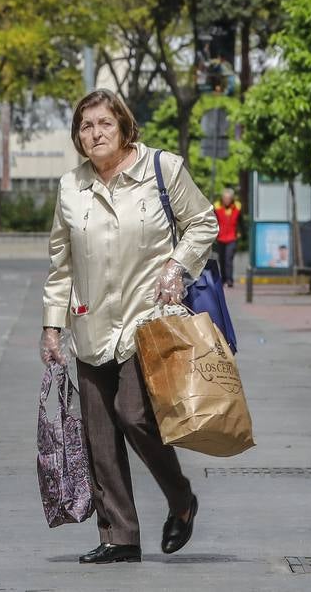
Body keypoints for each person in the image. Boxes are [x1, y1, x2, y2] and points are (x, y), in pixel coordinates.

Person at [42, 89, 218, 565]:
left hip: (148, 320)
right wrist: (52, 327)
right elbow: (62, 264)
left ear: (123, 127)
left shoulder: (163, 169)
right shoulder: (70, 187)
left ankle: (180, 498)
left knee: (134, 412)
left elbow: (203, 222)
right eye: (85, 126)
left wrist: (177, 266)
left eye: (103, 124)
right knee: (97, 434)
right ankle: (120, 536)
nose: (94, 133)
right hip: (89, 321)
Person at [212, 188, 241, 288]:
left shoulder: (237, 207)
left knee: (229, 259)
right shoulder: (217, 206)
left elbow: (240, 221)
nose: (226, 200)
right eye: (225, 198)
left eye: (228, 198)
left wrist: (240, 232)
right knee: (222, 259)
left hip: (232, 237)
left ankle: (229, 280)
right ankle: (223, 279)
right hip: (221, 237)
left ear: (232, 199)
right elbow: (213, 221)